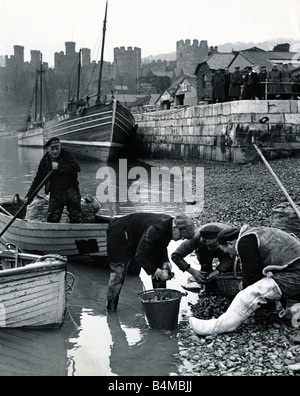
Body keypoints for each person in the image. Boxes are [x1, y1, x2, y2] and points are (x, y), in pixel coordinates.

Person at [189, 224, 300, 335]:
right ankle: (289, 312)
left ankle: (218, 327)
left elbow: (252, 276)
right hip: (292, 268)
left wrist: (245, 291)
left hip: (295, 274)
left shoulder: (244, 243)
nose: (231, 256)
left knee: (251, 293)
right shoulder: (253, 233)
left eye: (227, 251)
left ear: (230, 243)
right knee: (264, 287)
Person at [106, 212, 195, 311]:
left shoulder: (169, 225)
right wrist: (158, 272)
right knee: (118, 274)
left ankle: (160, 306)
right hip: (119, 235)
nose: (182, 239)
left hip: (137, 236)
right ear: (175, 228)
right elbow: (139, 257)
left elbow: (161, 244)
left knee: (159, 266)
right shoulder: (155, 229)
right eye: (182, 235)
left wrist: (165, 261)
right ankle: (111, 309)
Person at [25, 137, 82, 223]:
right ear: (48, 149)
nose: (55, 151)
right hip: (56, 192)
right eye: (52, 149)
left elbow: (77, 168)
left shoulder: (67, 155)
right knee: (52, 218)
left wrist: (59, 167)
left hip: (71, 191)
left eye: (57, 148)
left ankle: (76, 234)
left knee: (76, 217)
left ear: (60, 147)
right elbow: (38, 179)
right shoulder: (45, 161)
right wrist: (30, 195)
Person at [171, 223, 235, 288]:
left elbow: (232, 257)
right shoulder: (194, 238)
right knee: (205, 272)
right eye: (207, 245)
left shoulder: (228, 237)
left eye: (211, 245)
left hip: (223, 247)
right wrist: (193, 272)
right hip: (203, 251)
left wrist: (218, 271)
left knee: (229, 272)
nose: (209, 249)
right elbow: (176, 256)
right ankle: (207, 284)